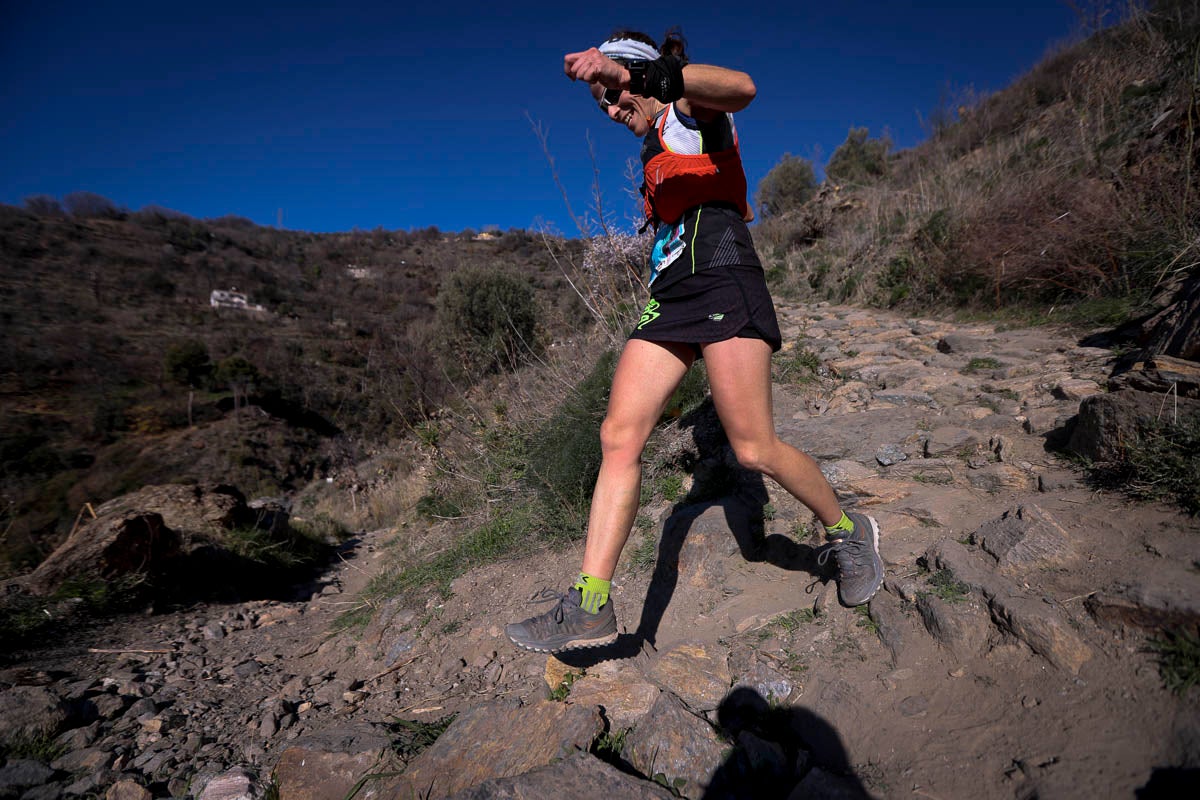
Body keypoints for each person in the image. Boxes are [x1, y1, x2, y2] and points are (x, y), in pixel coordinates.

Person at [505, 29, 883, 654]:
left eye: (612, 93)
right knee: (618, 436)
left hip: (724, 275)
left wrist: (640, 77)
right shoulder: (653, 145)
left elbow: (744, 88)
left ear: (636, 73)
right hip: (671, 293)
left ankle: (847, 530)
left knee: (754, 448)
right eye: (602, 103)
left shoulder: (687, 111)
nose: (610, 109)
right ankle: (590, 603)